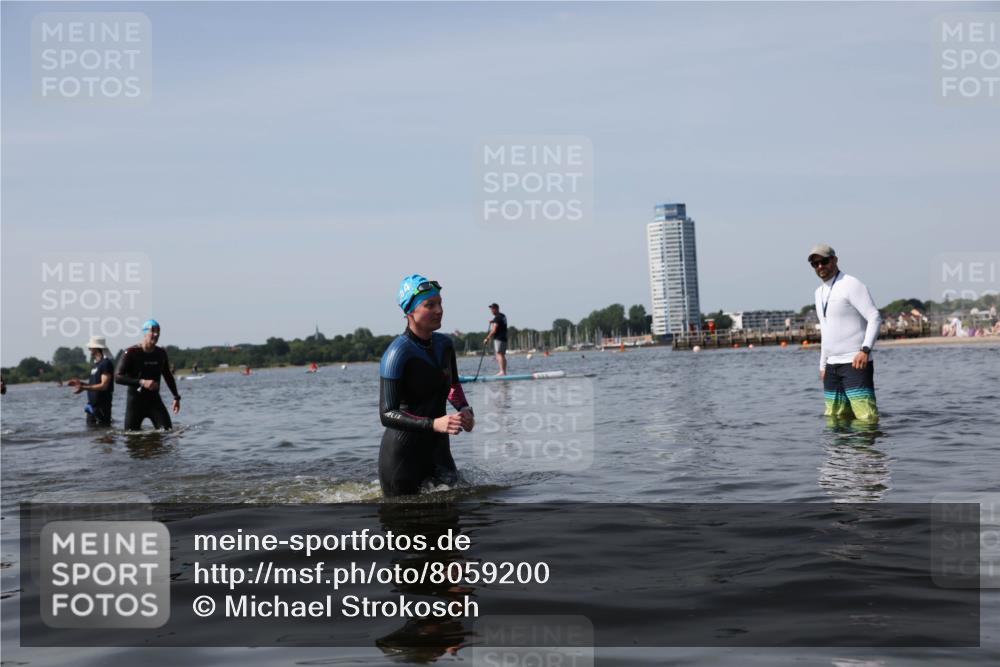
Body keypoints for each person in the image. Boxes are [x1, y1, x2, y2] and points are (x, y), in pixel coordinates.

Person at [378, 275, 474, 497]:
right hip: (402, 457)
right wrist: (433, 424)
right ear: (410, 311)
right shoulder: (397, 353)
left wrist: (465, 409)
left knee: (453, 520)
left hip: (438, 448)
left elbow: (453, 386)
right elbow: (387, 414)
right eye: (430, 305)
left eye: (440, 303)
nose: (439, 310)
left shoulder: (445, 345)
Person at [809, 244, 882, 422]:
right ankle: (839, 451)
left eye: (824, 261)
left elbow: (875, 317)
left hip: (855, 362)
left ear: (834, 260)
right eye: (815, 264)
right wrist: (822, 365)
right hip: (831, 366)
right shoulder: (818, 293)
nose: (820, 266)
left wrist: (865, 350)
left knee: (866, 417)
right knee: (834, 418)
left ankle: (865, 450)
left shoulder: (851, 284)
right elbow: (826, 331)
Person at [115, 319, 181, 430]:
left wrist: (176, 397)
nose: (156, 334)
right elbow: (117, 377)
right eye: (153, 331)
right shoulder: (131, 352)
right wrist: (142, 382)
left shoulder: (160, 353)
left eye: (158, 331)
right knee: (132, 439)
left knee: (167, 433)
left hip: (154, 401)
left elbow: (168, 376)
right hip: (135, 403)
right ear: (145, 332)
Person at [67, 336, 115, 426]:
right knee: (92, 435)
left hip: (102, 406)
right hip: (92, 406)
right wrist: (80, 383)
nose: (89, 349)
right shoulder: (95, 364)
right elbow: (93, 384)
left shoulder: (106, 363)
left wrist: (83, 388)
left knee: (104, 433)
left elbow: (104, 386)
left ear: (96, 348)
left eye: (91, 347)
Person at [483, 303, 508, 376]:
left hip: (499, 338)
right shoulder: (502, 316)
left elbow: (494, 330)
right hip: (503, 338)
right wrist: (493, 321)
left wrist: (487, 338)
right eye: (491, 309)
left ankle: (502, 371)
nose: (491, 310)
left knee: (500, 355)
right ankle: (503, 371)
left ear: (497, 309)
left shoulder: (497, 318)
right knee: (500, 355)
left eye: (493, 308)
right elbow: (499, 323)